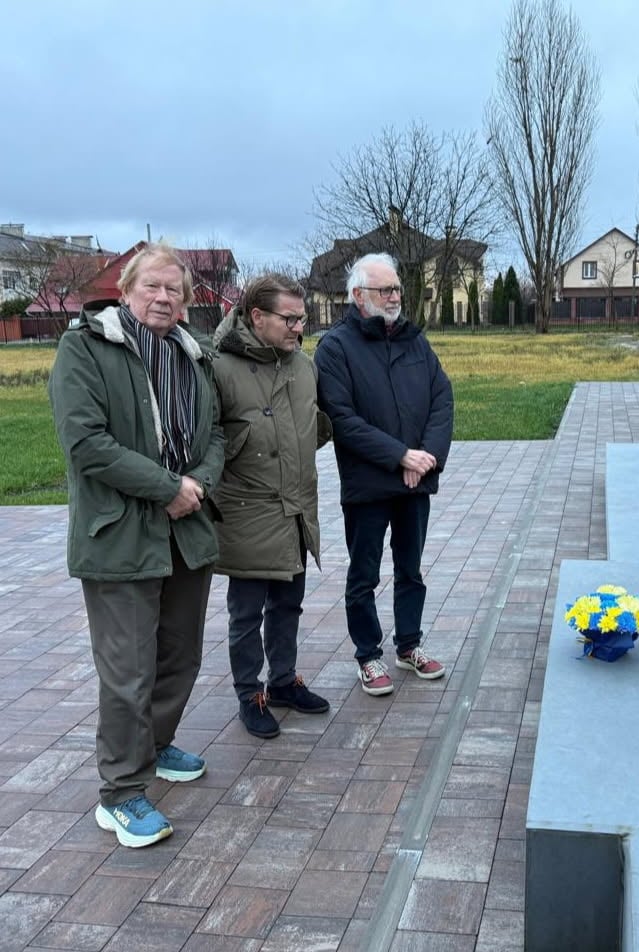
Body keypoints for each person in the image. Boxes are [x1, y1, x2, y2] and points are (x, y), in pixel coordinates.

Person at [48, 244, 224, 848]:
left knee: (181, 655)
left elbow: (218, 432)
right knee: (127, 671)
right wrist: (168, 488)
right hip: (120, 535)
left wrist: (199, 483)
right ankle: (121, 792)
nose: (163, 297)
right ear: (126, 290)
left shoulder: (193, 355)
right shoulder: (85, 348)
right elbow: (86, 443)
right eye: (151, 286)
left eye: (174, 290)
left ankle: (154, 745)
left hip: (186, 531)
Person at [315, 252, 452, 695]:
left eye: (396, 289)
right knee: (365, 574)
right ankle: (368, 655)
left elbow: (441, 399)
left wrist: (426, 456)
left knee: (410, 569)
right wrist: (400, 457)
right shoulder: (335, 347)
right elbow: (342, 418)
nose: (394, 297)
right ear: (358, 296)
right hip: (369, 484)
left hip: (415, 482)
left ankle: (408, 644)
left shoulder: (415, 341)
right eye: (385, 290)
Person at [210, 274, 331, 738]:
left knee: (289, 604)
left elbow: (314, 426)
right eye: (290, 318)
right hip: (246, 513)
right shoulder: (219, 367)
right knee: (246, 613)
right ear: (256, 317)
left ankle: (283, 681)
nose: (298, 327)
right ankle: (250, 693)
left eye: (302, 318)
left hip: (295, 510)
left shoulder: (302, 365)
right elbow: (210, 438)